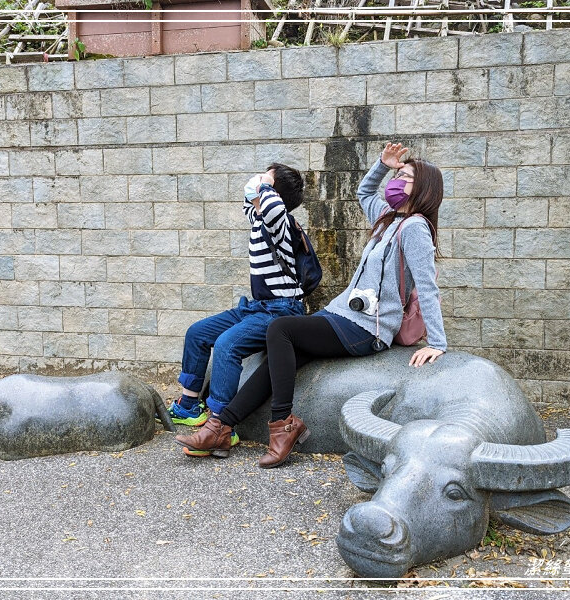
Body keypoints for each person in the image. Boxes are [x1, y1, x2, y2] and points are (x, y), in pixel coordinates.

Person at [175, 142, 447, 467]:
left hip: (366, 327)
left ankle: (283, 426)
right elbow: (364, 192)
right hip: (342, 317)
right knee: (279, 359)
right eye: (397, 174)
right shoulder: (389, 220)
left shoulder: (415, 227)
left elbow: (427, 285)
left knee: (280, 329)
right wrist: (383, 164)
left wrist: (438, 343)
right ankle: (221, 427)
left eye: (404, 176)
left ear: (424, 188)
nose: (396, 180)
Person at [168, 163, 306, 456]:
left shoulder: (281, 222)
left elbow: (270, 206)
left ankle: (219, 428)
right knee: (198, 333)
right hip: (257, 307)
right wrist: (262, 186)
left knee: (227, 345)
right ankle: (189, 407)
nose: (257, 181)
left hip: (282, 310)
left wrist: (268, 183)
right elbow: (251, 204)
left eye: (265, 179)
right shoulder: (260, 218)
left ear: (275, 194)